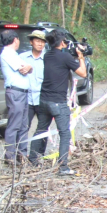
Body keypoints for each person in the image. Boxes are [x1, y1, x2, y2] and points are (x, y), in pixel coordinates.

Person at [29, 30, 87, 175]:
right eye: (65, 41)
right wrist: (81, 57)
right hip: (58, 102)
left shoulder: (47, 55)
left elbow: (60, 61)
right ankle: (63, 167)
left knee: (41, 130)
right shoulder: (65, 56)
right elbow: (83, 74)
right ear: (62, 42)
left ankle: (33, 161)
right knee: (64, 133)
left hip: (43, 100)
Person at [0, 29, 33, 164]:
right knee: (14, 125)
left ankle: (22, 154)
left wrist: (28, 66)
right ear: (15, 40)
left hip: (23, 93)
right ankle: (10, 156)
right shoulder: (7, 53)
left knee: (24, 125)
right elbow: (24, 69)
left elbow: (29, 68)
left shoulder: (14, 54)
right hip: (15, 93)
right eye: (18, 39)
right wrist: (28, 67)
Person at [19, 30, 46, 132]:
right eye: (37, 41)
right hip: (27, 99)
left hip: (42, 99)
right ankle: (21, 148)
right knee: (24, 127)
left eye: (42, 41)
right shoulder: (22, 57)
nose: (40, 44)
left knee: (43, 129)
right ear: (31, 42)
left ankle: (39, 148)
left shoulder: (47, 58)